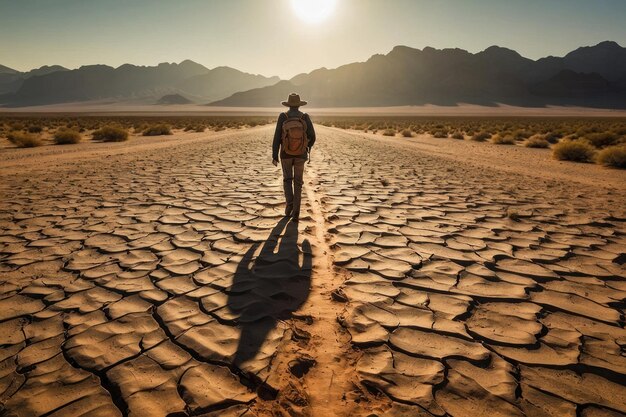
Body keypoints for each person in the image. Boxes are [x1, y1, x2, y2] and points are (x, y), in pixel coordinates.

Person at [272, 93, 316, 222]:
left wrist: (275, 155)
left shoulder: (283, 116)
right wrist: (305, 147)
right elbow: (312, 136)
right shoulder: (304, 117)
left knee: (287, 180)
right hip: (300, 155)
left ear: (289, 104)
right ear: (298, 104)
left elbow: (276, 136)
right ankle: (296, 213)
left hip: (285, 154)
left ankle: (289, 205)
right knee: (298, 183)